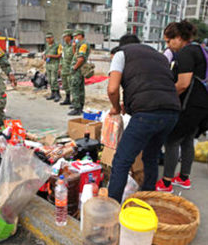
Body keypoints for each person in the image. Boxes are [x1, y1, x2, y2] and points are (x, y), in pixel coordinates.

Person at [107, 34, 181, 203]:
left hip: (147, 114)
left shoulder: (121, 54)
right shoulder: (160, 56)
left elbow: (112, 89)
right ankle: (147, 200)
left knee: (122, 161)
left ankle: (112, 210)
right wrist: (131, 104)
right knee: (151, 156)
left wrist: (116, 108)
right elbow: (153, 84)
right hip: (172, 112)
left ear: (121, 46)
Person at [156, 21, 208, 192]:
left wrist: (166, 98)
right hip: (202, 105)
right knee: (187, 140)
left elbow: (183, 83)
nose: (168, 46)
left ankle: (166, 182)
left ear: (178, 38)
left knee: (172, 141)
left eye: (168, 41)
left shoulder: (186, 52)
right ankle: (184, 177)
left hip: (189, 104)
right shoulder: (201, 49)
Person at [68, 29, 90, 116]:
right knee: (80, 88)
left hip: (77, 70)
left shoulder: (83, 45)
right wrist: (74, 47)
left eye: (76, 36)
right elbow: (76, 55)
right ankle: (79, 107)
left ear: (81, 35)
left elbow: (80, 59)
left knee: (75, 88)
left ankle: (77, 108)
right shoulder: (79, 45)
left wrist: (74, 68)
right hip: (78, 70)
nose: (75, 38)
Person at [43, 32, 62, 102]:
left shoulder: (57, 45)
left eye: (49, 38)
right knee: (50, 80)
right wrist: (44, 57)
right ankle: (52, 93)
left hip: (55, 64)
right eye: (47, 38)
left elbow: (59, 55)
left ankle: (57, 94)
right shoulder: (47, 46)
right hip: (48, 64)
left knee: (54, 80)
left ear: (52, 38)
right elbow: (45, 54)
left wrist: (51, 56)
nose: (48, 40)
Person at [59, 29, 74, 105]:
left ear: (69, 37)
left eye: (65, 36)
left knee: (72, 85)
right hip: (64, 69)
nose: (64, 38)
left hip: (71, 69)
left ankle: (74, 101)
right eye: (63, 37)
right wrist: (60, 66)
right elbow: (62, 57)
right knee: (65, 84)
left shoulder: (73, 46)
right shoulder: (65, 47)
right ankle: (67, 99)